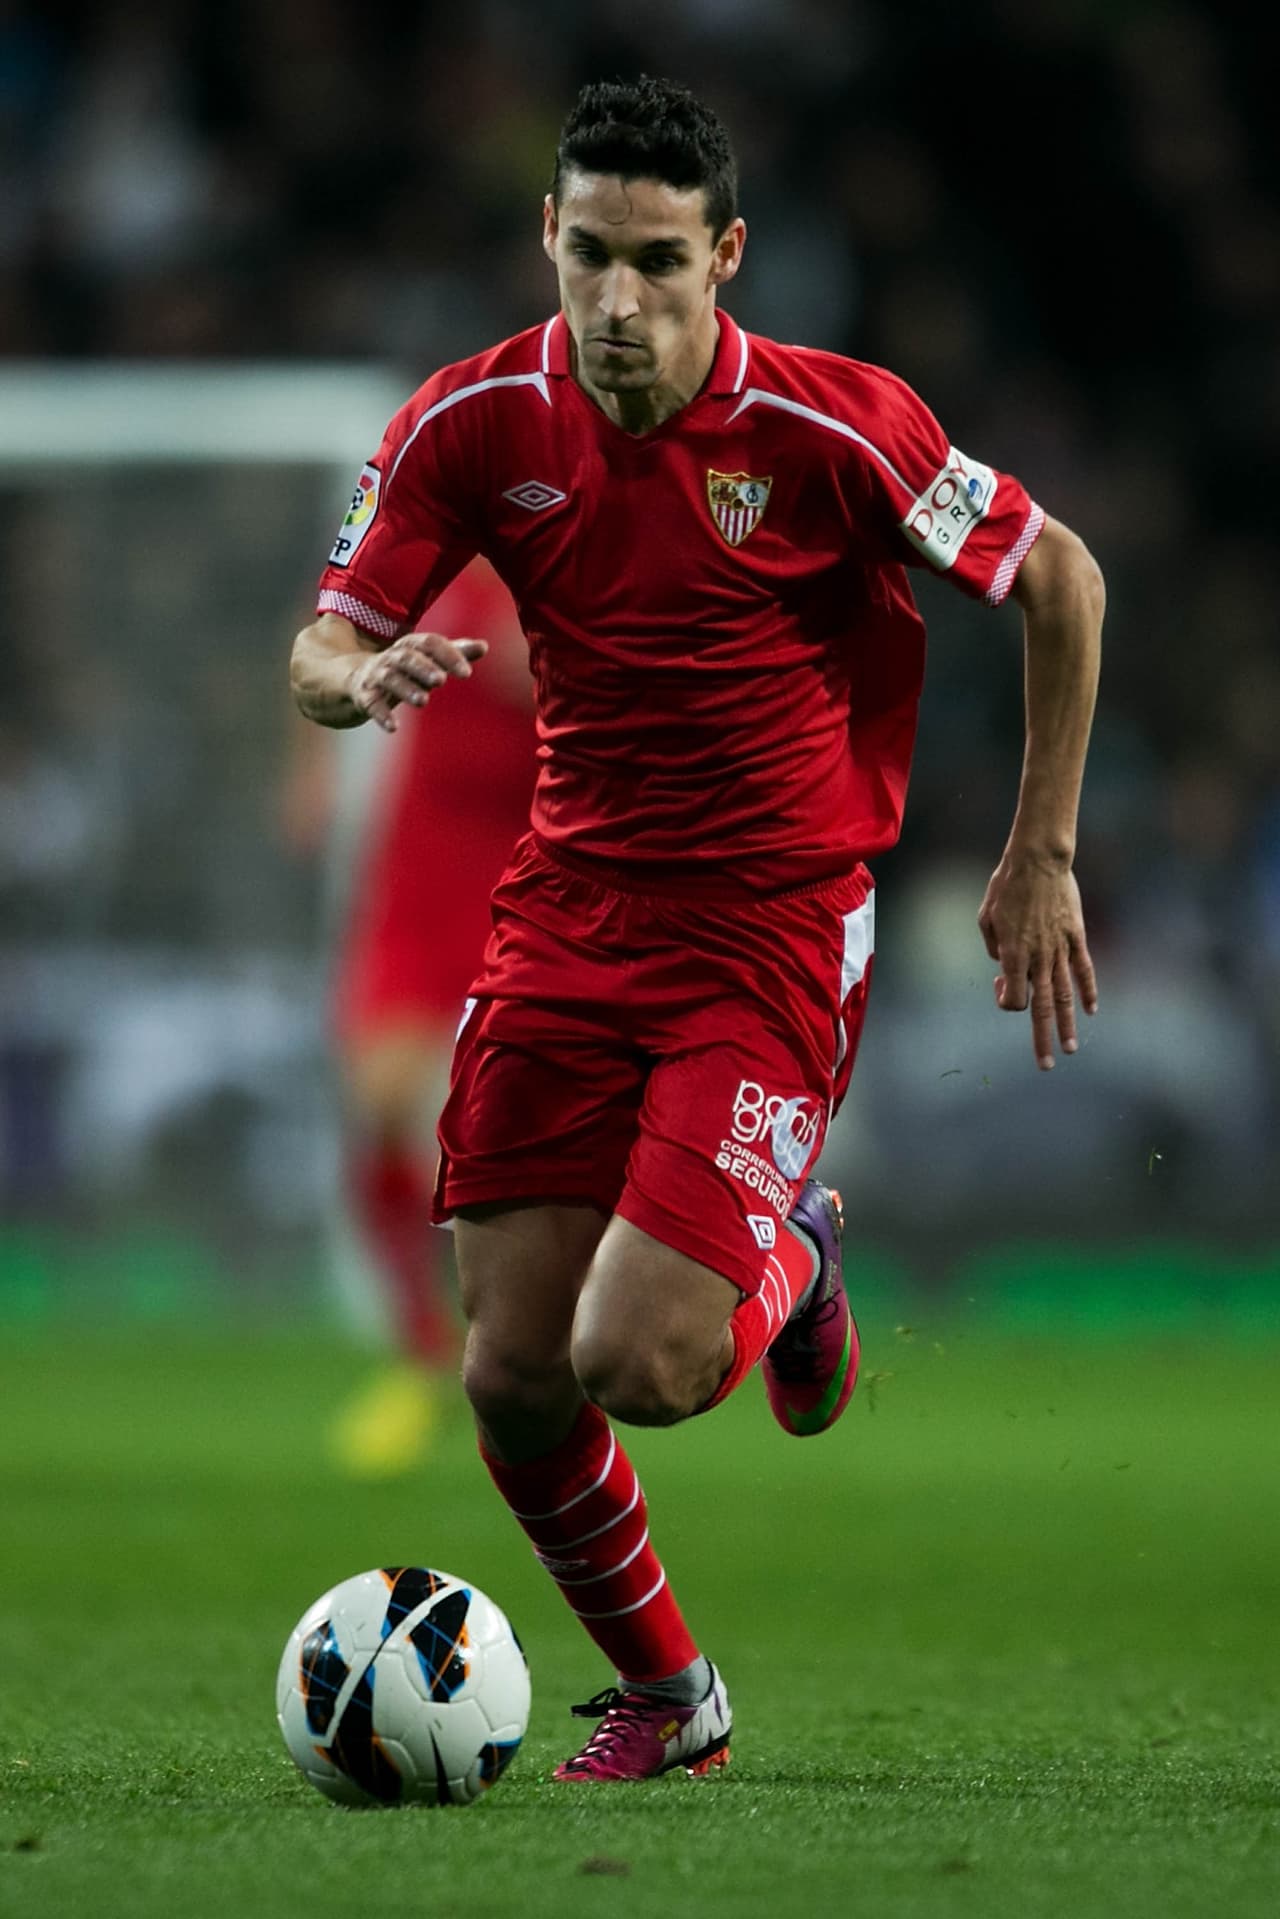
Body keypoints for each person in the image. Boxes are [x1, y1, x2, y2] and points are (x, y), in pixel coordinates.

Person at [290, 75, 1103, 1782]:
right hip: (567, 911)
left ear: (726, 256)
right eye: (588, 253)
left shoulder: (831, 426)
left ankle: (793, 1257)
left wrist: (1041, 848)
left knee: (640, 1361)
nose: (617, 301)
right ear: (548, 236)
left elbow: (1061, 579)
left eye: (658, 260)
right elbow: (324, 636)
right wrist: (355, 677)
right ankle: (675, 1694)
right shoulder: (475, 420)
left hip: (768, 926)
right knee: (514, 1369)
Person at [282, 558, 535, 1475]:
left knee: (508, 1128)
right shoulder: (441, 549)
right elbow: (327, 632)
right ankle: (419, 1351)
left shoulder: (578, 551)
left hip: (531, 859)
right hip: (422, 856)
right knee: (380, 1096)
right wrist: (314, 759)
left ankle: (520, 1350)